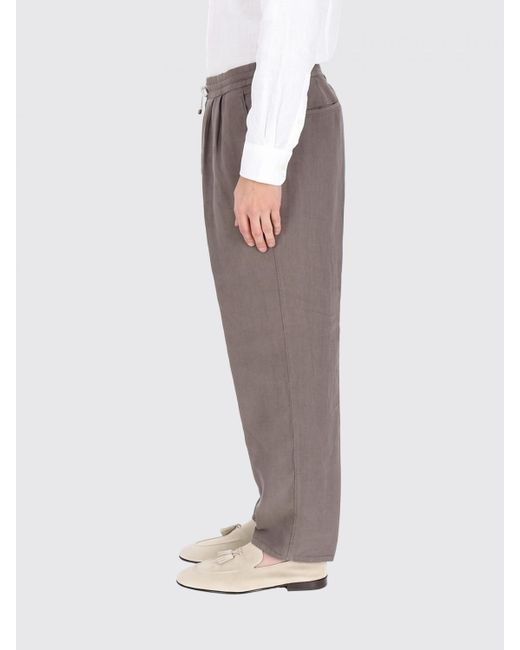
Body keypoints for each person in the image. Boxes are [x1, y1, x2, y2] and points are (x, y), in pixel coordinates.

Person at [177, 0, 344, 594]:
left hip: (268, 105)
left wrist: (266, 160)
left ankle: (294, 542)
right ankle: (280, 513)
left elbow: (294, 14)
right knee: (260, 335)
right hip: (241, 99)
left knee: (288, 337)